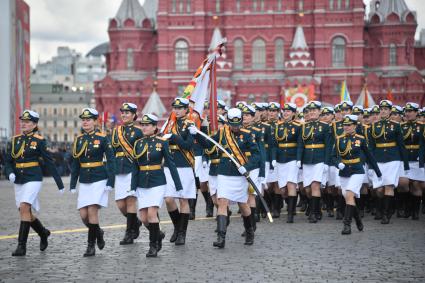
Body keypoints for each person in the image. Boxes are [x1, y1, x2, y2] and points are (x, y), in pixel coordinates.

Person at [192, 108, 260, 248]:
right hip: (223, 173)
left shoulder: (248, 135)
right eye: (232, 124)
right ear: (228, 122)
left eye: (237, 123)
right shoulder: (223, 133)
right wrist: (197, 135)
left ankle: (249, 231)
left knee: (243, 204)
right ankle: (221, 237)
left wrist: (247, 167)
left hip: (239, 174)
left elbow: (256, 155)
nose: (235, 126)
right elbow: (209, 144)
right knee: (222, 202)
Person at [5, 110, 64, 256]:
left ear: (35, 124)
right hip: (18, 179)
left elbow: (49, 163)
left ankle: (21, 246)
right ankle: (43, 232)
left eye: (27, 122)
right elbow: (7, 161)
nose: (23, 124)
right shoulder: (14, 140)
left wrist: (59, 183)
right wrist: (10, 172)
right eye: (22, 121)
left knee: (25, 206)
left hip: (33, 178)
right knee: (25, 212)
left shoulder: (39, 141)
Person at [130, 114, 183, 257]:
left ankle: (153, 246)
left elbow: (171, 165)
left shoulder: (162, 142)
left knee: (152, 214)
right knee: (143, 218)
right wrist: (132, 187)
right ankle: (158, 234)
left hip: (157, 182)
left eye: (147, 125)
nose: (144, 127)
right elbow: (135, 167)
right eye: (143, 125)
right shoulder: (138, 143)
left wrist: (178, 186)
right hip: (142, 183)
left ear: (154, 127)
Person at [70, 108, 116, 256]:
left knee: (91, 211)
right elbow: (76, 163)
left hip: (99, 178)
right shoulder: (79, 140)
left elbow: (111, 160)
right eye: (83, 119)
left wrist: (110, 181)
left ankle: (90, 246)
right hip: (84, 180)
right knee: (83, 215)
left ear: (95, 121)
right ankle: (98, 232)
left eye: (88, 119)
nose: (85, 122)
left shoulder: (102, 138)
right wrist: (72, 184)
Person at [335, 115, 382, 235]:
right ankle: (358, 220)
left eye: (349, 125)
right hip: (344, 171)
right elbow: (332, 156)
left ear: (355, 126)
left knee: (350, 194)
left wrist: (377, 172)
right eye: (344, 125)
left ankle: (347, 225)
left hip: (357, 170)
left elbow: (369, 156)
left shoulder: (360, 139)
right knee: (348, 197)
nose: (346, 127)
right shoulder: (339, 139)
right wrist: (338, 164)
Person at [368, 100, 409, 224]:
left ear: (390, 111)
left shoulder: (396, 125)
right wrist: (371, 164)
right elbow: (371, 147)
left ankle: (386, 214)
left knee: (389, 185)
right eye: (382, 109)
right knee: (379, 189)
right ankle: (382, 208)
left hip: (393, 158)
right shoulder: (373, 126)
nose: (383, 111)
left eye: (386, 109)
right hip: (378, 158)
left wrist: (405, 163)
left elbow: (401, 145)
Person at [162, 97, 196, 245]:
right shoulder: (169, 124)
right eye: (175, 108)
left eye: (180, 108)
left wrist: (174, 137)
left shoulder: (190, 125)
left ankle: (182, 233)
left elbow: (188, 146)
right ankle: (177, 227)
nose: (176, 110)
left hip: (185, 164)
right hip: (170, 165)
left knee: (183, 199)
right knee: (169, 199)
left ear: (186, 110)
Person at [111, 103, 144, 245]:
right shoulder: (116, 131)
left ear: (134, 115)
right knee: (120, 204)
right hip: (119, 170)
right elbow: (113, 151)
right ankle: (135, 222)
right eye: (122, 112)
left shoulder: (138, 131)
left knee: (130, 201)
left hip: (132, 169)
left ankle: (129, 233)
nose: (124, 115)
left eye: (127, 112)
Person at [297, 101, 332, 223]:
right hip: (307, 160)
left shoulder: (325, 126)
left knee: (315, 186)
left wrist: (327, 162)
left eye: (314, 110)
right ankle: (317, 210)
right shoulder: (303, 127)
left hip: (319, 159)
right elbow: (301, 145)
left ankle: (313, 213)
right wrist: (298, 160)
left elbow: (328, 146)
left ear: (319, 112)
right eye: (310, 111)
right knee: (307, 189)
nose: (312, 112)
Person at [271, 103, 301, 223]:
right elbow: (274, 145)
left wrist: (299, 159)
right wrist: (273, 158)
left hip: (292, 159)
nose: (286, 113)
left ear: (294, 113)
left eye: (289, 111)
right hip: (280, 159)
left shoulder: (298, 126)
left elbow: (300, 145)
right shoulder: (278, 127)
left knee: (291, 184)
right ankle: (286, 203)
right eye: (284, 111)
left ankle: (290, 214)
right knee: (282, 189)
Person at [398, 103, 424, 219]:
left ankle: (414, 211)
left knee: (416, 185)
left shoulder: (422, 126)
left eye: (411, 111)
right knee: (403, 183)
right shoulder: (401, 126)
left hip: (418, 158)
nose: (408, 113)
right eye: (406, 111)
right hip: (405, 158)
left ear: (416, 112)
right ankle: (406, 206)